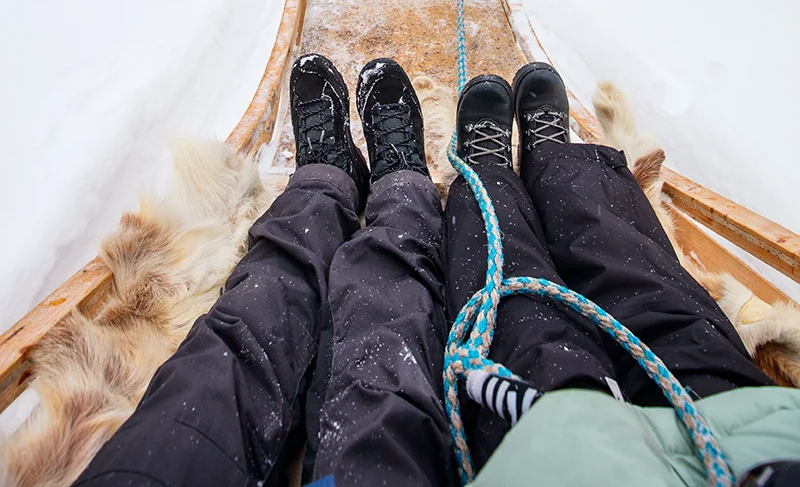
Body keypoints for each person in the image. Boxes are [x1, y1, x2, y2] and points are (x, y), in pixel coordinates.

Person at [73, 57, 800, 487]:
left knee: (247, 325)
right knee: (651, 288)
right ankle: (538, 165)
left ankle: (343, 176)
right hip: (754, 428)